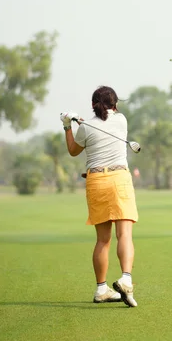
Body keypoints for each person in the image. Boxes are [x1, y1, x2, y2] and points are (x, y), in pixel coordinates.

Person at [60, 85, 138, 307]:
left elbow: (74, 150)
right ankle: (126, 279)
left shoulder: (85, 127)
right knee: (124, 235)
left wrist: (68, 125)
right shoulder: (122, 120)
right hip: (119, 179)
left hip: (96, 181)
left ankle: (101, 289)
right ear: (115, 104)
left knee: (103, 240)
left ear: (93, 105)